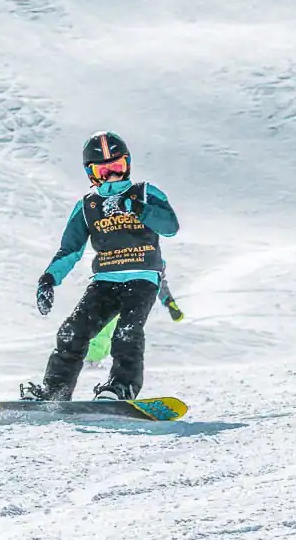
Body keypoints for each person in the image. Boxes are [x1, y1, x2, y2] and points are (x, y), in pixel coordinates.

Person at [22, 132, 180, 402]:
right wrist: (48, 279)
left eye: (117, 167)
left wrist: (139, 209)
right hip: (105, 280)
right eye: (103, 170)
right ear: (91, 174)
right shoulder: (87, 206)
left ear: (127, 164)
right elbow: (71, 249)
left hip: (142, 278)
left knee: (126, 333)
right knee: (72, 332)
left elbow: (170, 227)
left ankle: (121, 388)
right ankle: (54, 392)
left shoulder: (144, 192)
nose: (112, 177)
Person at [86, 268, 182, 365]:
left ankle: (94, 357)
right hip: (137, 294)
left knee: (105, 325)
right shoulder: (154, 259)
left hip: (116, 288)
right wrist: (169, 302)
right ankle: (100, 357)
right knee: (121, 328)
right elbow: (157, 280)